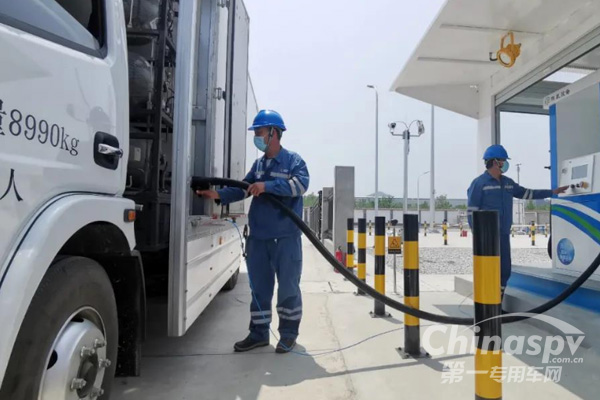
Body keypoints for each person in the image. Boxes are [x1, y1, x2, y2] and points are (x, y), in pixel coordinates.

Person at [196, 110, 309, 354]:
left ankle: (288, 334)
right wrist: (218, 194)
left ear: (273, 133)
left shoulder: (293, 161)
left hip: (285, 239)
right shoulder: (258, 165)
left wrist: (267, 186)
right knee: (259, 289)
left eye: (259, 132)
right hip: (259, 239)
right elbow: (243, 188)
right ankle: (258, 334)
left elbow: (301, 185)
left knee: (288, 288)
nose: (256, 137)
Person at [467, 145, 567, 299]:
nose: (505, 164)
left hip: (503, 234)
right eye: (503, 161)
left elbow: (526, 193)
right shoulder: (479, 183)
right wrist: (478, 235)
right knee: (488, 270)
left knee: (504, 270)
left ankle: (497, 301)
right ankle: (487, 301)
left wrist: (552, 192)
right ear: (494, 162)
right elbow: (471, 211)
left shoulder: (508, 183)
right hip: (488, 237)